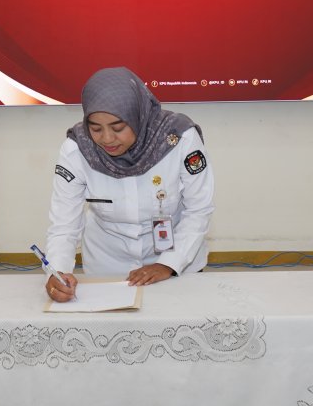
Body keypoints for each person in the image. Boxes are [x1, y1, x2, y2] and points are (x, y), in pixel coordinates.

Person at [45, 67, 214, 302]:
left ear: (138, 115)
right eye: (95, 128)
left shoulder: (178, 139)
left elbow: (198, 210)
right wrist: (58, 271)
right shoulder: (77, 149)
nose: (107, 138)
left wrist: (168, 264)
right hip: (108, 268)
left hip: (178, 263)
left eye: (118, 128)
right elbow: (65, 223)